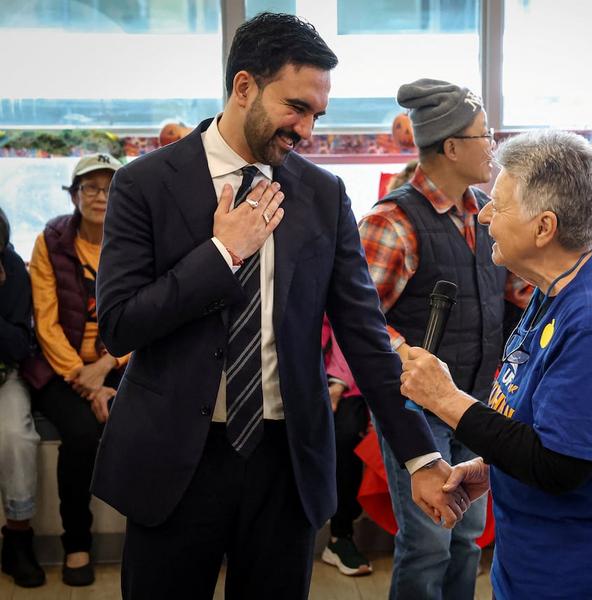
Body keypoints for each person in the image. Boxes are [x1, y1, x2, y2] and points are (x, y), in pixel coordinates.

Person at [92, 13, 468, 600]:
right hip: (176, 459)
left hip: (286, 461)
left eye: (317, 114)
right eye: (296, 107)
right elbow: (119, 325)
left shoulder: (322, 195)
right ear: (244, 86)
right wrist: (222, 254)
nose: (307, 130)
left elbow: (365, 335)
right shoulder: (144, 183)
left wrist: (420, 455)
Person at [400, 129, 592, 599]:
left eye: (499, 204)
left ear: (544, 227)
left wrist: (445, 399)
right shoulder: (559, 286)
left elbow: (560, 466)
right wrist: (490, 467)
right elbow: (548, 424)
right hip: (542, 555)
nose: (484, 214)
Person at [359, 78, 528, 600]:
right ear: (451, 147)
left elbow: (519, 290)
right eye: (485, 134)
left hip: (476, 403)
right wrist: (411, 360)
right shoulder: (393, 221)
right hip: (419, 411)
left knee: (468, 537)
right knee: (429, 540)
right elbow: (361, 324)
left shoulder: (486, 211)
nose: (493, 146)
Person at [23, 153, 128, 587]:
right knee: (81, 435)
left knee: (150, 421)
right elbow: (45, 322)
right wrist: (86, 381)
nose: (100, 197)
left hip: (116, 362)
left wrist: (105, 368)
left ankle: (152, 538)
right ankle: (76, 544)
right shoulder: (51, 241)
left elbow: (146, 315)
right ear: (74, 195)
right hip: (61, 368)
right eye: (90, 187)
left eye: (110, 188)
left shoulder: (136, 240)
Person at [0, 208, 45, 588]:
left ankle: (18, 538)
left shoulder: (12, 268)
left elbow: (17, 345)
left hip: (5, 374)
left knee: (16, 438)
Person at [320, 316, 371, 576]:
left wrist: (338, 383)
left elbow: (349, 324)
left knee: (347, 435)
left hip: (350, 379)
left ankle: (340, 536)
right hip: (295, 370)